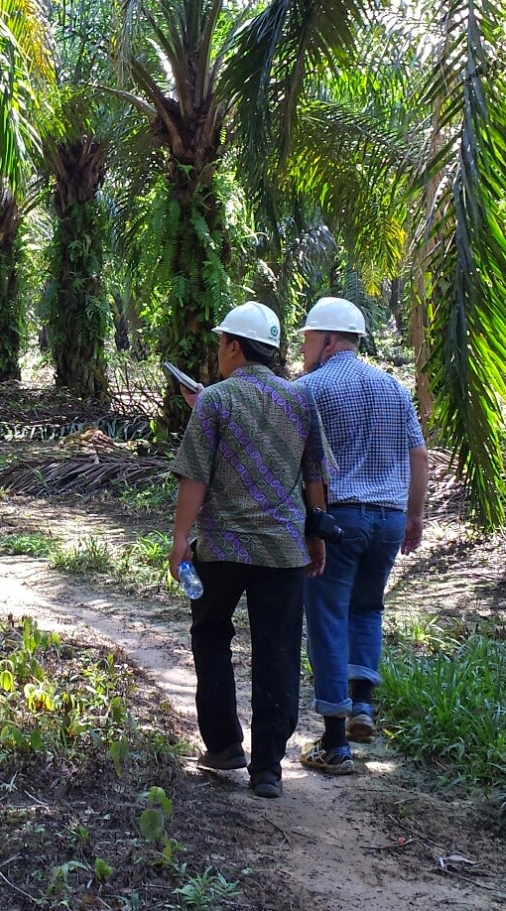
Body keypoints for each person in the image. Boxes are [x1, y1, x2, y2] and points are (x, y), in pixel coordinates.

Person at [168, 301, 329, 799]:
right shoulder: (300, 401)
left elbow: (194, 478)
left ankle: (223, 745)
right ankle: (267, 770)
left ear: (235, 347)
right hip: (283, 551)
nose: (219, 352)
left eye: (221, 343)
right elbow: (314, 477)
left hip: (223, 548)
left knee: (211, 634)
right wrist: (315, 535)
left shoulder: (215, 401)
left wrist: (179, 542)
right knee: (278, 651)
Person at [293, 297, 428, 776]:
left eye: (308, 337)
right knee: (368, 607)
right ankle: (364, 706)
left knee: (327, 615)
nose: (304, 346)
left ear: (329, 339)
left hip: (339, 519)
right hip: (389, 518)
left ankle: (334, 743)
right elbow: (418, 455)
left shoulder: (308, 388)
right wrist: (414, 516)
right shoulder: (392, 386)